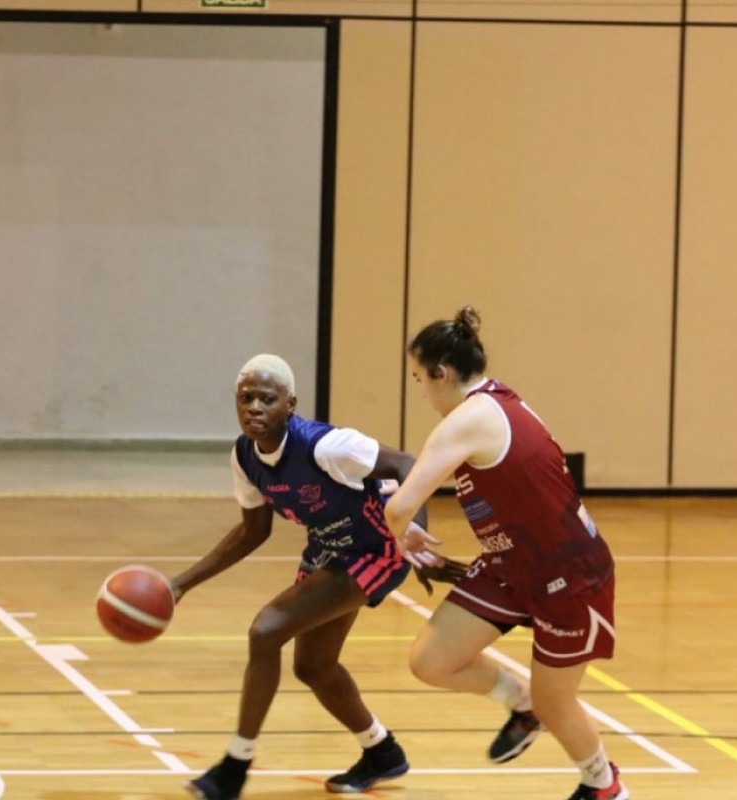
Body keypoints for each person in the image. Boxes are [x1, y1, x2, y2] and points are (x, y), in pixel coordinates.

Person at [174, 354, 452, 800]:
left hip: (377, 544)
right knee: (313, 666)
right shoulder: (245, 457)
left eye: (268, 398)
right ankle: (382, 751)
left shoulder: (328, 446)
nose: (255, 408)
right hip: (328, 549)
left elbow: (407, 464)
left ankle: (235, 765)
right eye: (246, 398)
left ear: (291, 404)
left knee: (265, 632)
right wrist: (180, 584)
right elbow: (252, 532)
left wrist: (412, 526)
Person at [380, 306, 629, 800]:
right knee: (431, 660)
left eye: (419, 379)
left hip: (569, 574)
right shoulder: (499, 397)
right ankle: (520, 705)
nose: (422, 392)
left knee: (558, 704)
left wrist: (403, 537)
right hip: (512, 564)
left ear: (441, 374)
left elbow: (399, 507)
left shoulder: (466, 420)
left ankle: (604, 785)